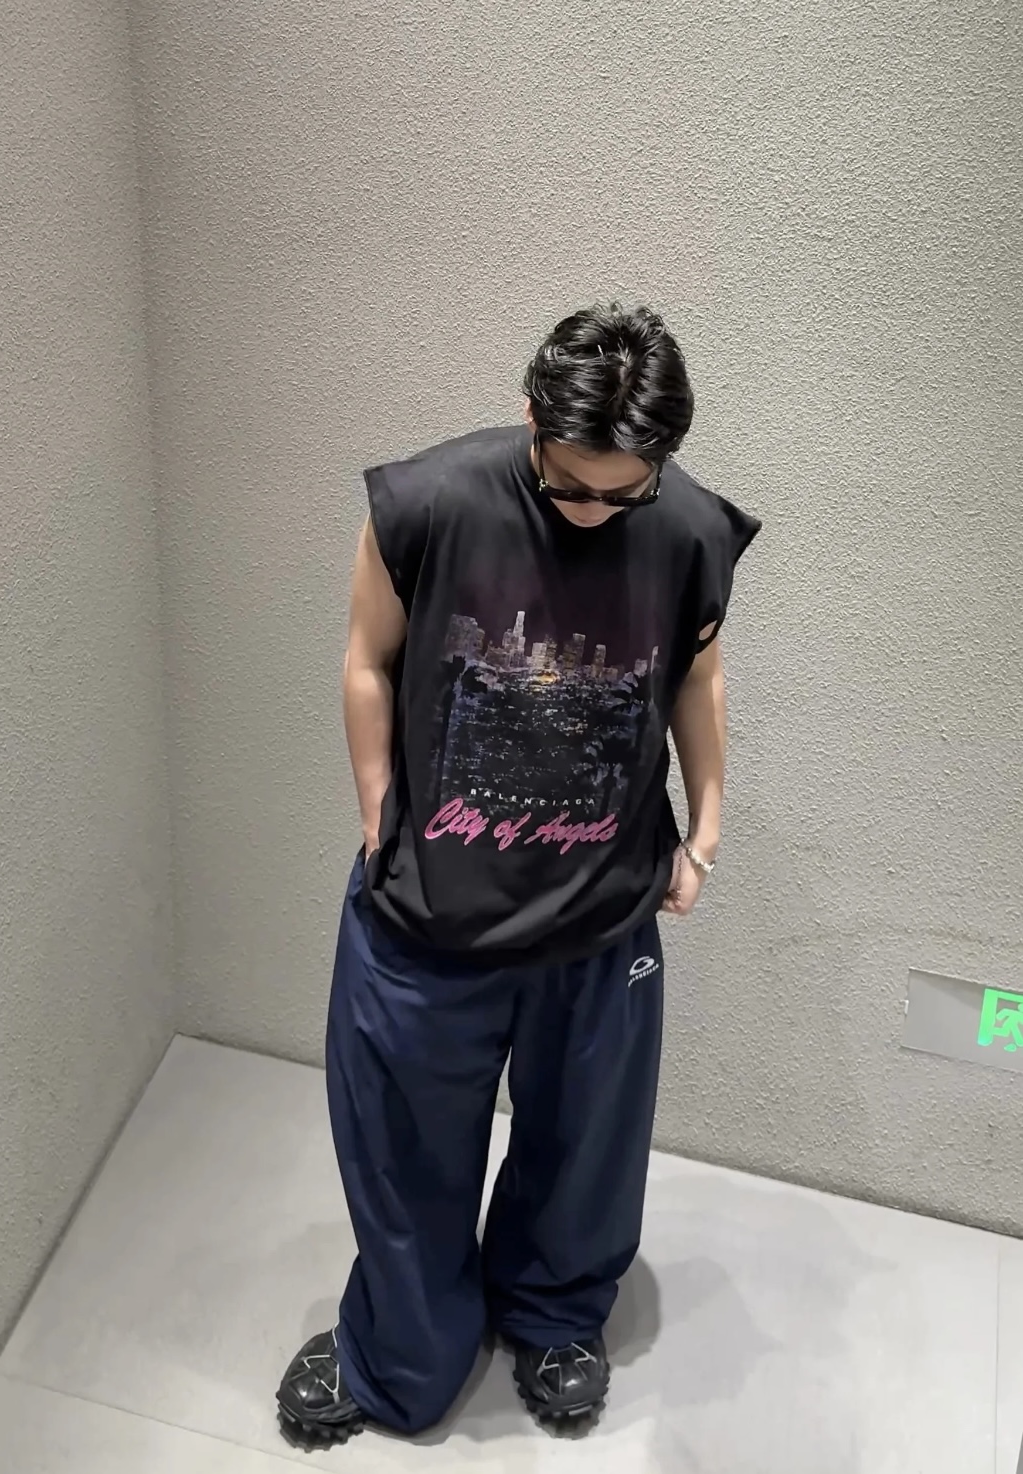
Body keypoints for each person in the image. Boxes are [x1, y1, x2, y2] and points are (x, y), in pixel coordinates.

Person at [276, 303, 760, 1445]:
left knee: (586, 1148)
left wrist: (705, 829)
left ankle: (554, 1315)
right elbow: (367, 658)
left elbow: (697, 678)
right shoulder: (427, 504)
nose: (593, 510)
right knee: (403, 1150)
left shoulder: (689, 529)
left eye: (622, 493)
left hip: (601, 919)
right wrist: (378, 810)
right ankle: (400, 1349)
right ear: (530, 417)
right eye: (568, 485)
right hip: (427, 913)